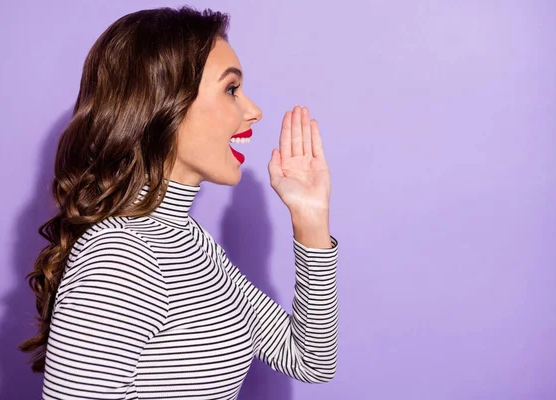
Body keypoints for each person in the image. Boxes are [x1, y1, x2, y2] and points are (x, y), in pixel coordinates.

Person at [20, 6, 339, 400]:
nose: (253, 111)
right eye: (231, 89)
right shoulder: (121, 257)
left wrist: (310, 217)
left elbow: (311, 359)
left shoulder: (190, 241)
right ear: (164, 104)